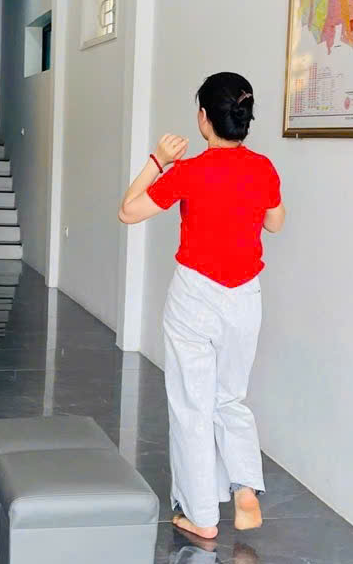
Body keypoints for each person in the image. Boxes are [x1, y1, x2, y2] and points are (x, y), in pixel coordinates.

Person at [119, 72, 286, 540]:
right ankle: (245, 486)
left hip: (195, 296)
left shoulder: (189, 172)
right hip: (245, 295)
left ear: (203, 118)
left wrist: (158, 160)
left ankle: (202, 516)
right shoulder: (263, 168)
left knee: (192, 405)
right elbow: (275, 223)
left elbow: (128, 211)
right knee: (230, 397)